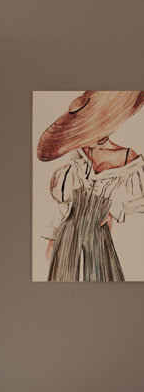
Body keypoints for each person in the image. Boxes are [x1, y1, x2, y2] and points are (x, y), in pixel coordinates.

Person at [38, 91, 144, 281]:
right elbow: (63, 206)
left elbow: (139, 200)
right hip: (67, 237)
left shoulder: (129, 159)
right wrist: (53, 239)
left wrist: (113, 209)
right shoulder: (77, 157)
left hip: (98, 240)